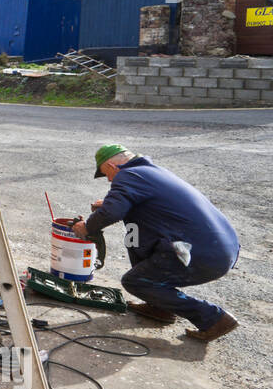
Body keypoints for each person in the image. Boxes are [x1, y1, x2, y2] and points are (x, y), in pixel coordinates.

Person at [72, 144, 239, 342]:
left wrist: (87, 227)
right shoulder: (150, 172)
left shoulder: (128, 175)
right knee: (133, 235)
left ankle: (214, 318)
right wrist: (106, 205)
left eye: (105, 173)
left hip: (200, 253)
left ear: (111, 165)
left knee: (134, 281)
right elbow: (131, 206)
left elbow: (112, 212)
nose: (108, 180)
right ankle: (160, 306)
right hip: (219, 248)